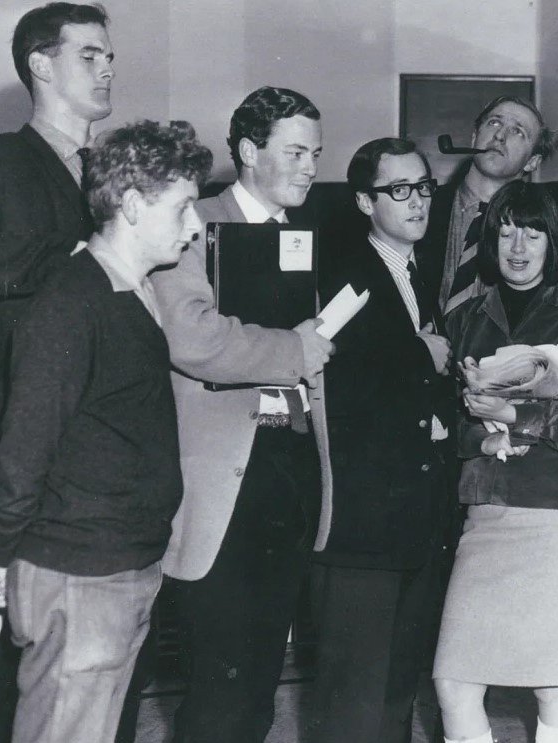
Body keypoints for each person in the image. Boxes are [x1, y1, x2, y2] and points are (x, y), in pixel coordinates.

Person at [0, 119, 211, 743]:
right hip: (79, 573)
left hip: (123, 564)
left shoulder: (132, 293)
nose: (195, 226)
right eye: (184, 206)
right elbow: (23, 450)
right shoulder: (71, 304)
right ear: (133, 205)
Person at [150, 86, 334, 743]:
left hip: (290, 472)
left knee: (258, 689)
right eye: (295, 152)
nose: (311, 166)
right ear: (250, 152)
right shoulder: (191, 221)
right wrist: (296, 349)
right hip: (226, 486)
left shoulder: (301, 236)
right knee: (218, 697)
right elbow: (193, 338)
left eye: (316, 152)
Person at [435, 181, 558, 743]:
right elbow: (448, 427)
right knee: (454, 682)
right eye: (506, 230)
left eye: (533, 231)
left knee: (554, 682)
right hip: (486, 514)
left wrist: (513, 416)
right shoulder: (466, 317)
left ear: (552, 241)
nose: (518, 245)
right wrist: (482, 438)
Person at [0, 6, 114, 733]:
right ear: (40, 63)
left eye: (109, 56)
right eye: (89, 54)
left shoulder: (116, 173)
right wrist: (70, 260)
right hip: (11, 452)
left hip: (95, 468)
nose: (107, 68)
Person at [308, 137, 454, 743]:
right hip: (365, 528)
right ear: (366, 202)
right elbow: (332, 377)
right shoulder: (350, 278)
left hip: (417, 524)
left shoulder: (417, 275)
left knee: (396, 692)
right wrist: (421, 355)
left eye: (424, 187)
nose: (417, 201)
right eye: (400, 190)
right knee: (356, 704)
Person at [420, 95, 558, 314]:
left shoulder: (549, 226)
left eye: (517, 131)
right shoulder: (424, 205)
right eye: (494, 122)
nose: (499, 136)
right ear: (475, 137)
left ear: (533, 161)